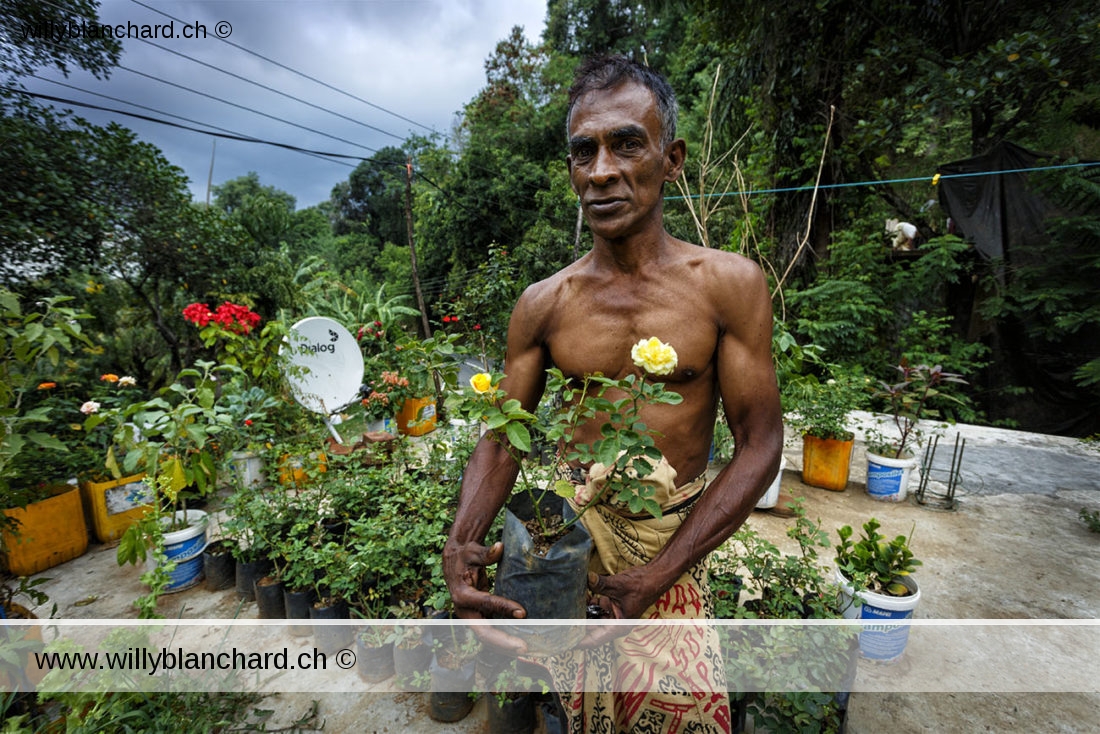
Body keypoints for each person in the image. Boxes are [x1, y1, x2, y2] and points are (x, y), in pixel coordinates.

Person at [443, 54, 783, 733]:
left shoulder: (727, 285)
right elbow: (501, 436)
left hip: (671, 545)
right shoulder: (545, 305)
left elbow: (760, 445)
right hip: (571, 550)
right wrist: (462, 541)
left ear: (671, 157)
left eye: (627, 143)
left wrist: (657, 575)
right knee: (575, 708)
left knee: (675, 711)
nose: (601, 171)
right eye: (583, 152)